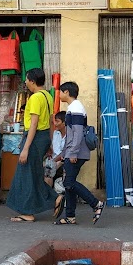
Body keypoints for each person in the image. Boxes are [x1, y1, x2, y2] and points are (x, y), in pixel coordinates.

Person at [6, 68, 57, 222]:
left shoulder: (35, 98)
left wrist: (25, 149)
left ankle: (28, 212)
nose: (26, 82)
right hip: (44, 137)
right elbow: (51, 121)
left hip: (34, 138)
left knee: (25, 175)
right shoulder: (48, 96)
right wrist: (50, 143)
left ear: (33, 81)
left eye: (27, 79)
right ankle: (55, 199)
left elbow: (34, 124)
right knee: (34, 174)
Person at [53, 81, 105, 225]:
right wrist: (64, 152)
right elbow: (71, 134)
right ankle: (70, 216)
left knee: (68, 182)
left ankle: (96, 204)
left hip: (76, 152)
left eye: (61, 92)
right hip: (72, 151)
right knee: (68, 184)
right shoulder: (73, 107)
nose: (60, 94)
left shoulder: (75, 107)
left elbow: (76, 133)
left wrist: (73, 153)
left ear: (67, 93)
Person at [46, 111, 67, 215]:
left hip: (63, 161)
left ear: (64, 123)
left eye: (57, 121)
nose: (55, 123)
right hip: (54, 159)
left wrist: (53, 161)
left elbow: (64, 153)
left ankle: (51, 198)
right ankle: (49, 197)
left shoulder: (70, 136)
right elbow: (53, 149)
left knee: (49, 170)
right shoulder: (55, 133)